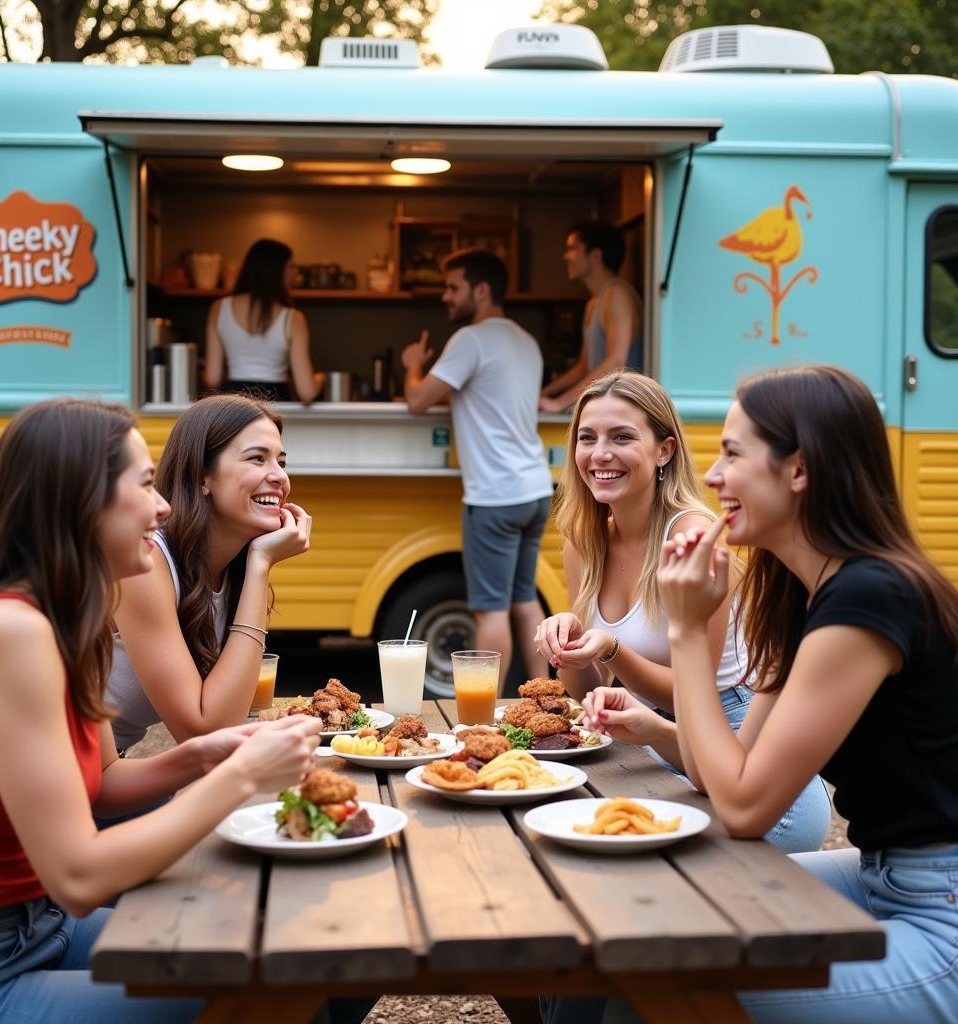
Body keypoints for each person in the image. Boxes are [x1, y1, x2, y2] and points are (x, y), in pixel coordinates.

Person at [549, 365, 958, 1024]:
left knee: (656, 984)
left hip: (940, 910)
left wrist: (683, 627)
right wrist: (654, 729)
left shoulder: (869, 599)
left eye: (733, 454)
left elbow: (744, 811)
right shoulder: (800, 589)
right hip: (876, 873)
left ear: (798, 471)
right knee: (620, 927)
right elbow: (730, 766)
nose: (711, 478)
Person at [0, 398, 321, 1022]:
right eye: (144, 484)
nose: (164, 505)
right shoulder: (9, 632)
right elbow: (80, 877)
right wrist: (240, 777)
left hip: (41, 928)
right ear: (80, 500)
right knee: (268, 980)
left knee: (282, 941)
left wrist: (210, 753)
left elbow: (108, 784)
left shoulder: (64, 615)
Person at [534, 370, 830, 853]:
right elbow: (586, 695)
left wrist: (611, 649)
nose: (599, 454)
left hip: (742, 750)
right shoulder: (583, 540)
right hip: (655, 745)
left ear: (664, 450)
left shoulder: (692, 537)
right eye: (586, 438)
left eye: (622, 437)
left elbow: (694, 692)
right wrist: (569, 647)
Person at [106, 394, 312, 753]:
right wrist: (261, 566)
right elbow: (204, 733)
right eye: (257, 459)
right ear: (203, 477)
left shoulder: (231, 564)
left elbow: (226, 718)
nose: (280, 477)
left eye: (281, 462)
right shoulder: (149, 557)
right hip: (57, 780)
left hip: (109, 771)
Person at [402, 248, 552, 684]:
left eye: (453, 287)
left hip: (495, 497)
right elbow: (481, 395)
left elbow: (417, 402)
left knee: (490, 608)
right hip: (535, 489)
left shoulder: (470, 339)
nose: (445, 296)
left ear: (481, 290)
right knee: (524, 599)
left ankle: (490, 708)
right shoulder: (525, 341)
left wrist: (414, 367)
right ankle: (545, 694)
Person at [204, 238, 325, 404]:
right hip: (277, 405)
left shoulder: (219, 308)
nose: (294, 274)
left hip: (233, 406)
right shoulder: (293, 318)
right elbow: (307, 392)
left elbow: (212, 378)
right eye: (290, 267)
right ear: (276, 271)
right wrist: (320, 378)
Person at [539, 221, 643, 412]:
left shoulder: (618, 294)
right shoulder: (594, 302)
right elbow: (584, 366)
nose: (566, 256)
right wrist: (543, 394)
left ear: (595, 255)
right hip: (603, 409)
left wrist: (560, 403)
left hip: (623, 412)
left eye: (572, 249)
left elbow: (616, 362)